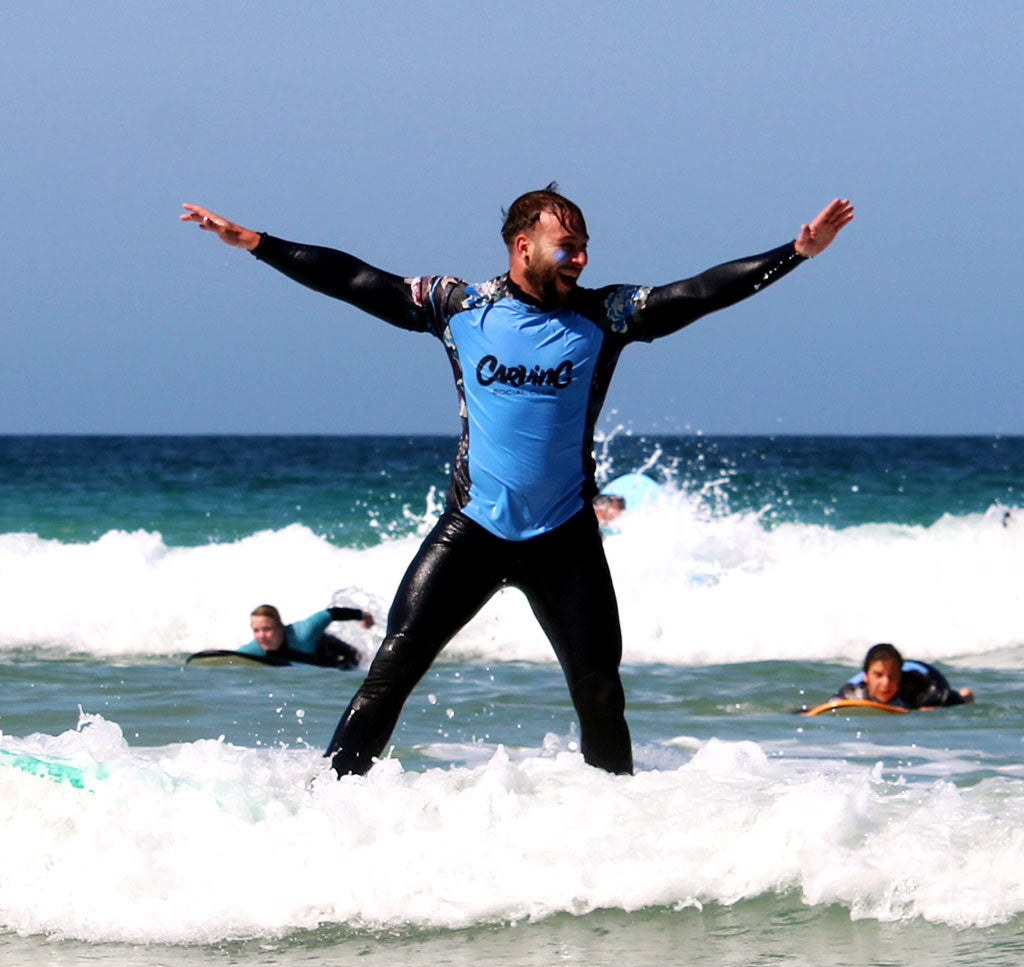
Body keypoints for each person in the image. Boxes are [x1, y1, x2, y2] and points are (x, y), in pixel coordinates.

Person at [182, 185, 853, 776]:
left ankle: (616, 825)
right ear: (521, 244)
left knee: (600, 695)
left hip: (565, 538)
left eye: (587, 245)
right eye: (569, 245)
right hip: (471, 532)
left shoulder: (605, 316)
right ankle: (326, 808)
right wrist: (257, 243)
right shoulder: (456, 306)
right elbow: (356, 279)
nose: (583, 257)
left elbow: (700, 292)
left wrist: (794, 253)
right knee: (389, 675)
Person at [833, 642, 974, 708]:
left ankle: (964, 693)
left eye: (892, 676)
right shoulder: (853, 691)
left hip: (929, 674)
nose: (886, 683)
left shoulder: (922, 688)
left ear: (900, 676)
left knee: (958, 699)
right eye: (878, 675)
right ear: (866, 676)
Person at [237, 604, 375, 670]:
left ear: (280, 626)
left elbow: (331, 613)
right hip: (312, 663)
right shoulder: (256, 647)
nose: (261, 636)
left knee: (357, 664)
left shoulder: (303, 632)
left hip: (333, 650)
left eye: (267, 629)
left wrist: (364, 616)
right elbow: (230, 657)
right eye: (256, 630)